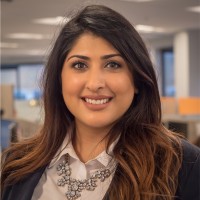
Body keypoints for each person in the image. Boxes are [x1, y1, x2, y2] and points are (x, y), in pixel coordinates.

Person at [1, 5, 200, 200]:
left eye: (113, 64)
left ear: (138, 79)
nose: (95, 83)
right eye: (79, 65)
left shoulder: (184, 166)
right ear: (59, 78)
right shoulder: (17, 163)